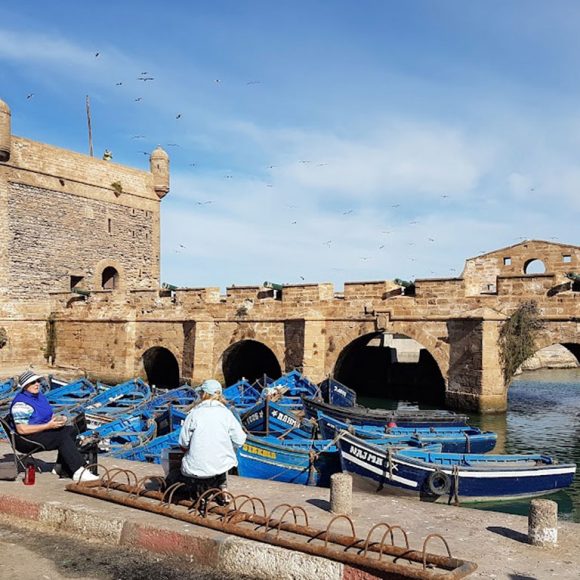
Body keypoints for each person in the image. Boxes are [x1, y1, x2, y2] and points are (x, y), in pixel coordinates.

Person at [9, 370, 99, 483]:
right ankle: (78, 471)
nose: (37, 384)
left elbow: (47, 416)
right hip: (26, 439)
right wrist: (48, 426)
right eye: (33, 382)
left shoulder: (39, 397)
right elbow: (21, 429)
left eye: (38, 381)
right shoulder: (21, 404)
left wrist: (59, 419)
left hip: (39, 432)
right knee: (61, 438)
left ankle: (60, 467)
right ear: (25, 386)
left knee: (71, 430)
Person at [178, 379, 246, 506]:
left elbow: (183, 442)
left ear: (203, 394)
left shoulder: (194, 414)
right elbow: (240, 440)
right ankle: (223, 489)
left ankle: (200, 491)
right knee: (223, 460)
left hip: (195, 467)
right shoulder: (226, 414)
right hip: (221, 465)